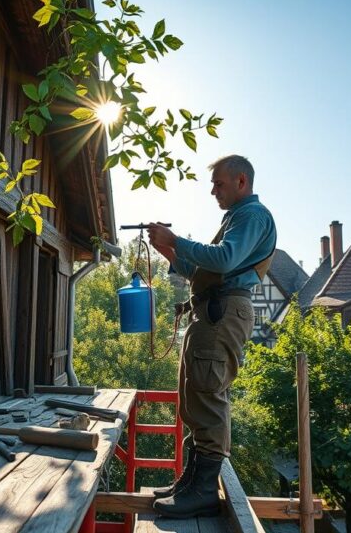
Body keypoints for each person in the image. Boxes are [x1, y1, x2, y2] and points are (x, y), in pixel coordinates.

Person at [146, 154, 277, 519]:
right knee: (194, 397)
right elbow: (204, 270)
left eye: (219, 183)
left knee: (207, 395)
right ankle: (190, 484)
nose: (213, 191)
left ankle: (202, 492)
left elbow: (223, 259)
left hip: (222, 313)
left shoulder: (251, 216)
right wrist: (168, 250)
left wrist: (177, 239)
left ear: (241, 182)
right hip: (210, 311)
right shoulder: (238, 218)